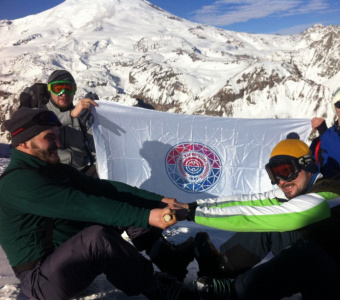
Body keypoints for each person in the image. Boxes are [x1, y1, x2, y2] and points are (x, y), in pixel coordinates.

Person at [0, 108, 196, 300]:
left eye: (58, 136)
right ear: (24, 143)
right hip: (41, 280)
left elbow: (105, 190)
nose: (58, 143)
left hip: (65, 258)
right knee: (97, 238)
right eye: (50, 137)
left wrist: (159, 202)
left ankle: (171, 262)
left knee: (124, 206)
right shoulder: (18, 182)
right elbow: (83, 205)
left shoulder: (53, 170)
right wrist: (148, 216)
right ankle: (159, 289)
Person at [182, 138, 340, 299]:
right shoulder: (304, 191)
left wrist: (195, 216)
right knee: (275, 229)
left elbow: (255, 217)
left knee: (304, 251)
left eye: (286, 170)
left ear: (307, 165)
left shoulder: (328, 198)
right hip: (324, 281)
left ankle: (233, 291)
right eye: (274, 174)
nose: (281, 181)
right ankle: (220, 269)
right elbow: (253, 201)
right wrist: (193, 207)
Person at [44, 70, 99, 176]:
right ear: (50, 90)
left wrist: (98, 118)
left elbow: (96, 147)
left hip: (79, 174)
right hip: (50, 174)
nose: (64, 93)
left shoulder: (81, 116)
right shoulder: (40, 113)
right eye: (58, 89)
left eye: (69, 89)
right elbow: (42, 128)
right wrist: (71, 114)